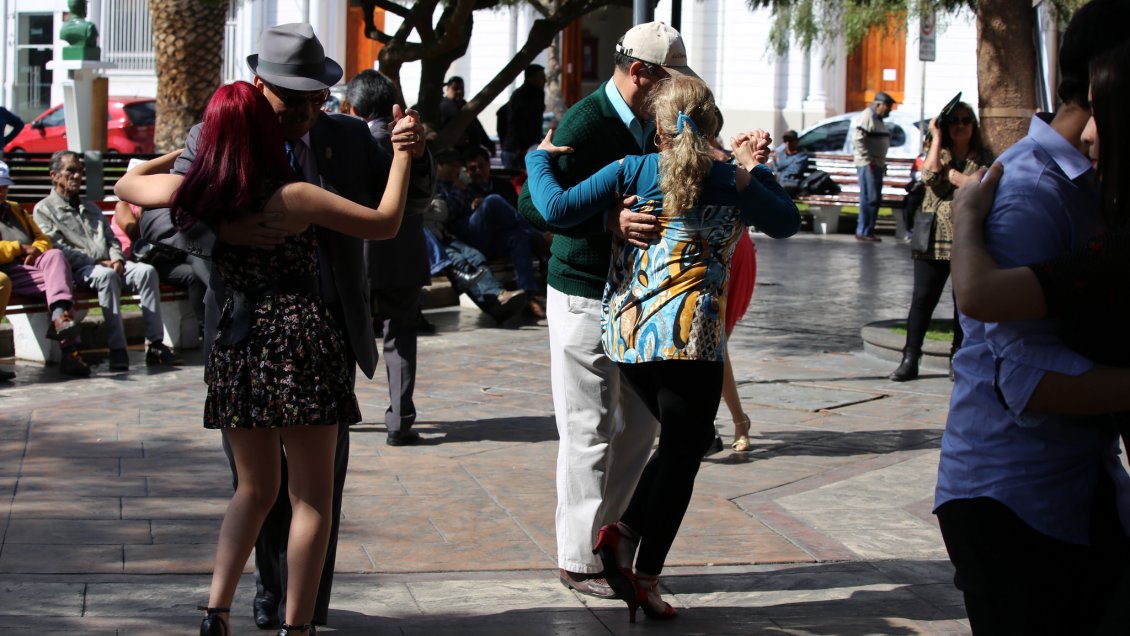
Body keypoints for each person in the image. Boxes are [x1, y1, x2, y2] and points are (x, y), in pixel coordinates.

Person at [114, 80, 418, 636]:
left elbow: (127, 182)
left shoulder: (200, 192)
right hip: (303, 344)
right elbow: (386, 221)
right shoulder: (293, 195)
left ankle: (216, 611)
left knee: (252, 491)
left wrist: (193, 156)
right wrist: (400, 157)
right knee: (312, 500)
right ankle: (296, 627)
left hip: (238, 344)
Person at [526, 75, 800, 621]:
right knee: (685, 449)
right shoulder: (730, 181)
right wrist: (753, 170)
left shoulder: (635, 169)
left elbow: (555, 210)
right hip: (689, 340)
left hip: (628, 339)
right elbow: (787, 223)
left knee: (686, 439)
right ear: (714, 126)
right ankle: (643, 574)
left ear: (659, 130)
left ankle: (620, 536)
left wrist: (537, 156)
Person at [933, 3, 1130, 633]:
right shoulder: (1030, 189)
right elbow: (1019, 374)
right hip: (1014, 499)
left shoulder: (1089, 187)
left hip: (1068, 489)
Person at [515, 21, 685, 599]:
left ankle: (608, 539)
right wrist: (606, 220)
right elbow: (533, 206)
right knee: (587, 428)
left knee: (641, 422)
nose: (675, 92)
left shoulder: (652, 123)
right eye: (669, 80)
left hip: (634, 296)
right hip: (584, 291)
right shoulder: (585, 123)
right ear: (640, 72)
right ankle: (578, 560)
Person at [347, 68, 436, 447]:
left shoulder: (349, 141)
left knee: (347, 334)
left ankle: (339, 408)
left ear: (354, 107)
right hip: (402, 256)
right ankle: (399, 419)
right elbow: (424, 194)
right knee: (400, 337)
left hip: (357, 256)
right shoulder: (411, 140)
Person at [33, 150, 182, 371]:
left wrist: (116, 258)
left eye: (79, 171)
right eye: (70, 171)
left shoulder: (90, 208)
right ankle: (118, 349)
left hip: (109, 263)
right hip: (81, 269)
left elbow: (112, 239)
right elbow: (56, 247)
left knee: (146, 272)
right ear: (54, 176)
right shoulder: (44, 210)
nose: (77, 176)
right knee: (107, 276)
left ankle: (156, 344)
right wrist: (97, 262)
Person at [888, 102, 991, 382]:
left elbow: (983, 185)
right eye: (954, 120)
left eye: (966, 120)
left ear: (974, 125)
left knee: (962, 303)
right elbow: (930, 175)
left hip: (966, 239)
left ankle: (957, 358)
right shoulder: (938, 152)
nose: (960, 125)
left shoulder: (983, 156)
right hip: (932, 238)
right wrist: (935, 135)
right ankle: (910, 358)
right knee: (922, 300)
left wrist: (957, 177)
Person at [0, 160, 90, 378]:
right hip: (8, 270)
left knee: (55, 257)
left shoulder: (15, 209)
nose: (2, 191)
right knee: (63, 283)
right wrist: (19, 248)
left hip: (29, 268)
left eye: (4, 186)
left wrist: (35, 251)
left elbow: (42, 239)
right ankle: (71, 351)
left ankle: (60, 317)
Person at [435, 146, 545, 317]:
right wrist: (469, 201)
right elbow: (445, 212)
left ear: (488, 165)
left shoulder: (497, 185)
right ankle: (538, 236)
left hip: (490, 237)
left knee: (518, 236)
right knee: (492, 202)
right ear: (439, 166)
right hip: (461, 238)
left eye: (458, 166)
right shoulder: (441, 187)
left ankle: (529, 295)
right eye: (452, 166)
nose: (456, 170)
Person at [113, 160, 207, 342]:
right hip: (148, 259)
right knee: (193, 276)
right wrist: (144, 204)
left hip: (173, 252)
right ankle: (205, 327)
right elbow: (135, 234)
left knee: (202, 259)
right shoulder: (123, 207)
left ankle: (220, 314)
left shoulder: (160, 202)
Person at [851, 92, 895, 242]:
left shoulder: (878, 119)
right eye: (888, 106)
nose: (889, 109)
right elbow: (857, 139)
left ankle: (868, 230)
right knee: (869, 198)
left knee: (874, 198)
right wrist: (869, 160)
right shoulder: (867, 116)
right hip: (868, 165)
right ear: (878, 104)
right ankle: (863, 231)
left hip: (876, 164)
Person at [500, 64, 547, 170]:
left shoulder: (535, 94)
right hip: (518, 150)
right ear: (531, 78)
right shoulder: (522, 95)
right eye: (541, 76)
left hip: (525, 148)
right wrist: (518, 146)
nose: (545, 80)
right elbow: (515, 121)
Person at [438, 76, 495, 156]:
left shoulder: (465, 105)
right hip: (454, 153)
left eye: (461, 88)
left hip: (470, 151)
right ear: (448, 89)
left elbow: (477, 126)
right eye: (455, 88)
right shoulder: (443, 107)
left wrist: (489, 144)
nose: (459, 91)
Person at [770, 130, 808, 194]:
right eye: (785, 140)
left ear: (797, 141)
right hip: (779, 182)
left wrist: (778, 172)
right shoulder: (780, 153)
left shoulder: (802, 155)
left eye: (790, 140)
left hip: (791, 183)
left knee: (778, 188)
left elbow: (792, 172)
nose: (787, 143)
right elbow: (774, 168)